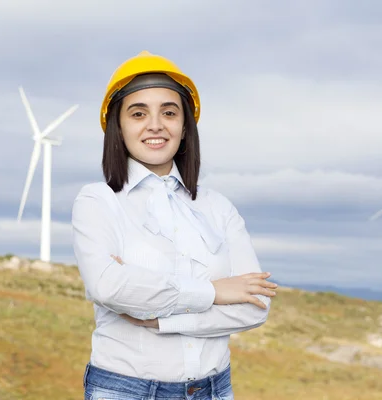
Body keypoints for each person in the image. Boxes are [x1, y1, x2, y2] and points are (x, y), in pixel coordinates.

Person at [71, 50, 277, 400]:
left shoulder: (217, 207)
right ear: (117, 127)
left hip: (212, 390)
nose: (156, 125)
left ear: (185, 126)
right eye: (138, 113)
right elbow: (109, 287)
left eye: (169, 112)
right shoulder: (97, 202)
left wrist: (162, 319)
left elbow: (255, 303)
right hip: (125, 391)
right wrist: (215, 291)